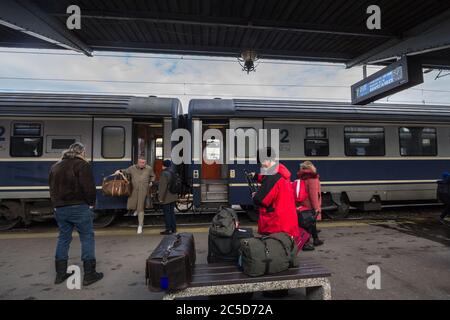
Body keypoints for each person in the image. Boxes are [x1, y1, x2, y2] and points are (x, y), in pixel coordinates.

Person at [49, 142, 103, 286]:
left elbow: (52, 189)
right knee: (87, 238)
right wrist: (91, 203)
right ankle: (89, 275)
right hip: (79, 207)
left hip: (60, 208)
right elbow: (89, 188)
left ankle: (60, 275)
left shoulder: (56, 166)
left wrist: (55, 205)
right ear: (81, 152)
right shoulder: (82, 165)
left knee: (63, 239)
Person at [252, 148, 300, 244]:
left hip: (276, 223)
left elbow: (262, 200)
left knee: (276, 251)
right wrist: (257, 177)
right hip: (285, 220)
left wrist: (255, 196)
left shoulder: (273, 176)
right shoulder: (280, 172)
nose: (261, 166)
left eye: (261, 163)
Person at [114, 157, 155, 234]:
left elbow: (153, 176)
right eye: (141, 162)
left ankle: (140, 225)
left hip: (143, 190)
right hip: (134, 190)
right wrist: (119, 171)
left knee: (141, 208)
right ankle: (135, 209)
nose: (143, 164)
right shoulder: (132, 168)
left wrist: (151, 182)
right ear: (138, 162)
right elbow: (125, 171)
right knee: (132, 204)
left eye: (144, 163)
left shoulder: (149, 168)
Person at [294, 161, 324, 249]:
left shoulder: (302, 177)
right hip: (310, 204)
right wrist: (316, 208)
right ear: (311, 168)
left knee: (311, 222)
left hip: (303, 203)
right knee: (308, 224)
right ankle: (305, 243)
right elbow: (313, 194)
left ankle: (315, 239)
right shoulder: (312, 178)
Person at [158, 159, 178, 235]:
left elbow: (163, 187)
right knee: (172, 213)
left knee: (167, 214)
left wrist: (160, 198)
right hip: (173, 196)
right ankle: (174, 229)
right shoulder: (172, 172)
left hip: (167, 197)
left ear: (163, 165)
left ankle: (168, 229)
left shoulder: (164, 173)